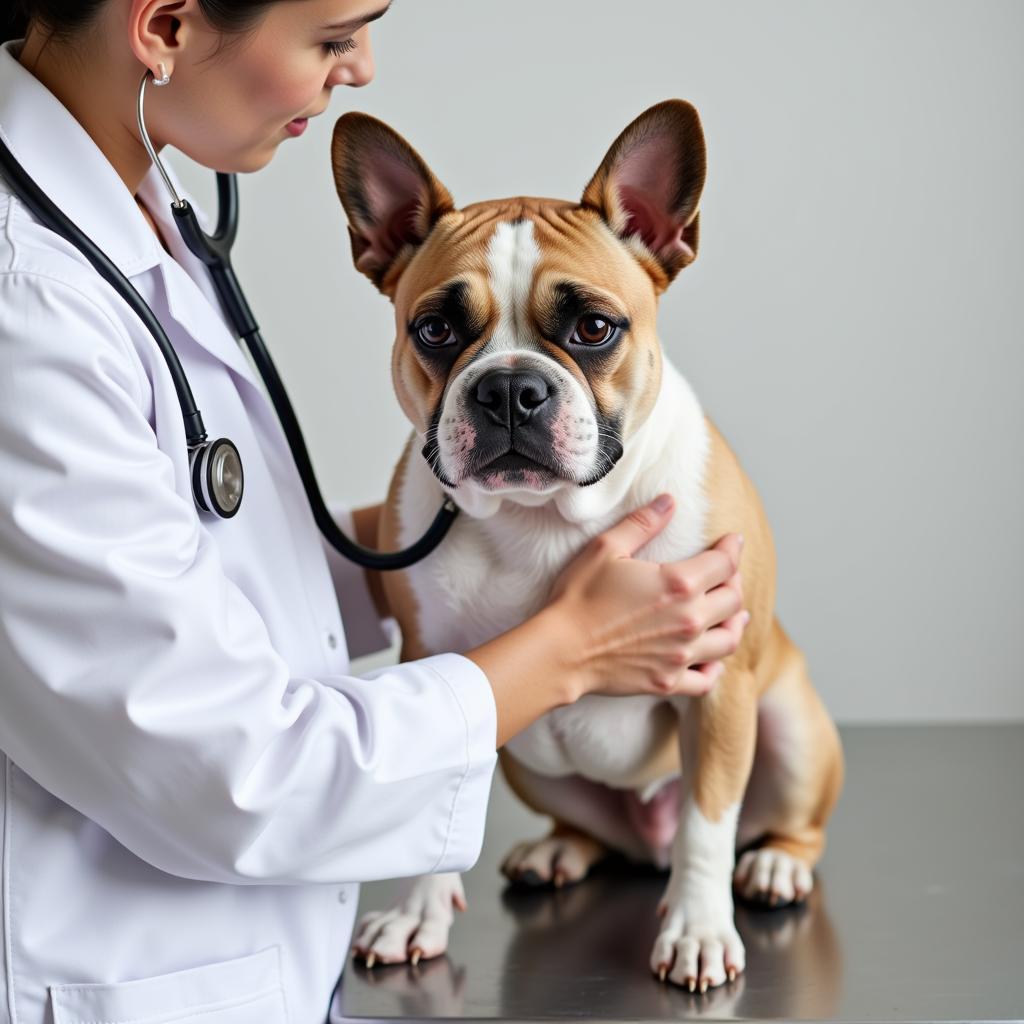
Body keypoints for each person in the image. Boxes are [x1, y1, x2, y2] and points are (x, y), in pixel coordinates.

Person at [0, 2, 749, 1022]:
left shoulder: (137, 205)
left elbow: (184, 560)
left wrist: (444, 554)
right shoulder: (25, 302)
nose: (361, 67)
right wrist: (572, 644)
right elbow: (230, 770)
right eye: (334, 34)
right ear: (165, 26)